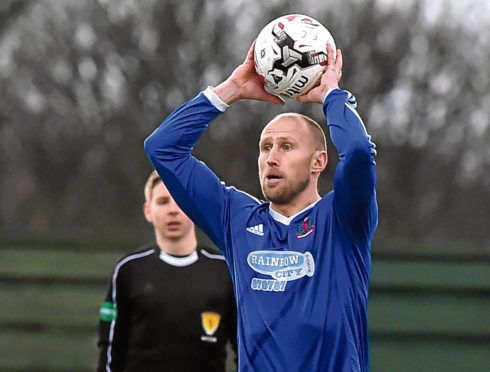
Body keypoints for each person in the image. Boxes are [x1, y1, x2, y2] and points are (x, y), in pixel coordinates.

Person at [144, 41, 378, 371]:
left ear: (318, 162)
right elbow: (163, 149)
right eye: (265, 147)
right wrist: (230, 90)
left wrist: (332, 96)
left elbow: (357, 152)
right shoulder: (235, 218)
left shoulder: (343, 218)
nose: (271, 157)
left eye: (286, 146)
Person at [97, 170, 236, 372]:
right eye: (163, 201)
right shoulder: (128, 270)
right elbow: (109, 350)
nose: (173, 210)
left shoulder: (225, 270)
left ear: (195, 208)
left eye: (180, 200)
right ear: (148, 211)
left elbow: (246, 349)